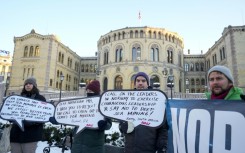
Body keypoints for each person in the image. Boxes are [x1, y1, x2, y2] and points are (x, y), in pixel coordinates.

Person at [119, 72, 168, 153]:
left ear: (148, 84)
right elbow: (121, 122)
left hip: (149, 149)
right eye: (138, 81)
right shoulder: (128, 100)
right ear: (135, 84)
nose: (140, 83)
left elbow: (163, 128)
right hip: (130, 149)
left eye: (143, 81)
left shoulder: (157, 101)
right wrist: (122, 126)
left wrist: (162, 147)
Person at [71, 80, 112, 153]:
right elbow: (70, 118)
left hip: (94, 147)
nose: (88, 92)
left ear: (96, 92)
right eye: (88, 90)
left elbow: (109, 124)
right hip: (78, 145)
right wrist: (58, 119)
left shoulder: (103, 105)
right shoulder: (81, 104)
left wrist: (104, 125)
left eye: (91, 90)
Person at [10, 77, 46, 153]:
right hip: (16, 135)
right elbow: (11, 112)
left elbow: (43, 116)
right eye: (26, 84)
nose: (28, 85)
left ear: (34, 86)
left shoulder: (40, 98)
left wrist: (32, 122)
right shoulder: (17, 98)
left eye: (30, 84)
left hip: (31, 135)